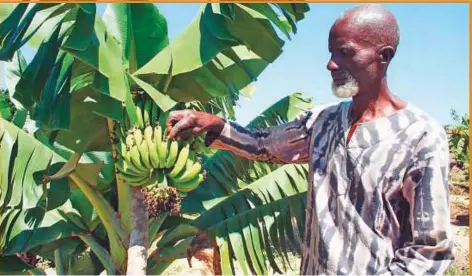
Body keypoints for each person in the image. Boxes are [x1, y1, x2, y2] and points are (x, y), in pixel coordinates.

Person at [165, 4, 454, 275]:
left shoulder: (421, 136)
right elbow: (263, 145)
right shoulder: (322, 122)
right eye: (331, 53)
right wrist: (212, 123)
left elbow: (430, 250)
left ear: (384, 56)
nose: (331, 64)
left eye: (344, 52)